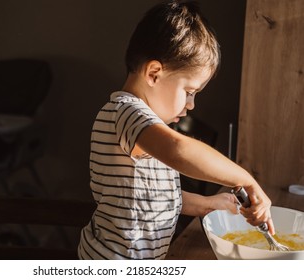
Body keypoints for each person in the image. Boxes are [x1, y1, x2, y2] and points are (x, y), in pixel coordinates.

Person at [78, 0, 273, 260]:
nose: (191, 104)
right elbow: (178, 149)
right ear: (154, 73)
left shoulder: (140, 125)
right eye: (189, 92)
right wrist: (245, 179)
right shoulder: (125, 112)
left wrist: (207, 205)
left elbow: (153, 197)